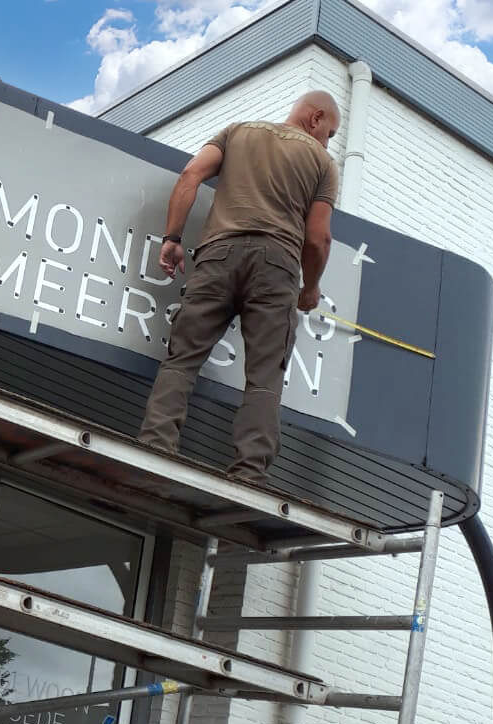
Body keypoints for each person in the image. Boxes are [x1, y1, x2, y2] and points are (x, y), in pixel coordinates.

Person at [137, 92, 341, 486]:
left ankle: (155, 446)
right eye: (330, 133)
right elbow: (318, 238)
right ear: (316, 118)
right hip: (277, 266)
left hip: (217, 255)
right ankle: (249, 472)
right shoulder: (322, 163)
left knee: (182, 359)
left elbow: (190, 175)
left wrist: (173, 237)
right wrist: (311, 287)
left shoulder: (236, 132)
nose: (328, 143)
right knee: (264, 376)